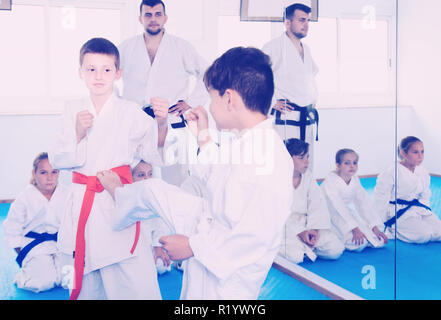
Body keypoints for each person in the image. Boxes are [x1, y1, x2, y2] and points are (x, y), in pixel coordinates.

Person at [97, 47, 294, 300]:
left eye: (212, 98)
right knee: (153, 190)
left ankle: (123, 198)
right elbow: (217, 175)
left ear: (230, 99)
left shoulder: (270, 157)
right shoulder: (247, 142)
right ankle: (122, 196)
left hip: (229, 271)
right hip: (212, 228)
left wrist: (192, 247)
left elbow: (255, 236)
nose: (209, 107)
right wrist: (202, 133)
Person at [48, 37, 168, 300]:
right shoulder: (72, 109)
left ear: (118, 73)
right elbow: (57, 159)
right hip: (83, 201)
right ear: (80, 73)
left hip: (117, 200)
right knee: (88, 276)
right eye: (91, 69)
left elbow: (151, 154)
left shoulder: (130, 111)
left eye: (106, 69)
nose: (98, 76)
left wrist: (161, 123)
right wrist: (78, 134)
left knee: (134, 278)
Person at [119, 0, 209, 186]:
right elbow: (109, 75)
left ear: (165, 18)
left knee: (176, 182)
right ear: (140, 18)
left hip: (171, 123)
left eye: (158, 14)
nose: (153, 19)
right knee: (136, 180)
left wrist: (191, 102)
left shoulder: (180, 46)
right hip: (138, 123)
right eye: (148, 15)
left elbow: (208, 73)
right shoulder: (126, 48)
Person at [262, 3, 319, 169]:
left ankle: (304, 195)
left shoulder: (306, 49)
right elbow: (259, 77)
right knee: (284, 165)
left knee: (306, 165)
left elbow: (310, 78)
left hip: (306, 118)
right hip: (287, 119)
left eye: (308, 21)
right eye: (302, 20)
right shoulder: (273, 47)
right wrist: (272, 102)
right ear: (287, 23)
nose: (306, 24)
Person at [3, 152, 68, 292]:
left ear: (59, 173)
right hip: (34, 245)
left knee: (68, 280)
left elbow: (73, 224)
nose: (49, 178)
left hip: (61, 244)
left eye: (54, 172)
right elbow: (12, 227)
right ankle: (26, 273)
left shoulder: (66, 194)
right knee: (43, 282)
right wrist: (22, 253)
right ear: (34, 173)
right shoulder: (25, 197)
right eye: (43, 172)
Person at [280, 139, 344, 263]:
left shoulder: (308, 177)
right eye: (301, 158)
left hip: (307, 223)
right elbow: (275, 215)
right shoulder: (275, 179)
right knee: (295, 256)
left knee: (335, 249)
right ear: (287, 158)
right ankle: (301, 248)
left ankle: (307, 247)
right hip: (285, 228)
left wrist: (314, 230)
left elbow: (317, 205)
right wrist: (299, 232)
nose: (307, 162)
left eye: (308, 157)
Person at [374, 136, 441, 244]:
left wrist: (425, 211)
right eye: (415, 152)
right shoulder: (391, 171)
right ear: (404, 153)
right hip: (397, 212)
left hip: (417, 209)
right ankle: (393, 229)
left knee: (439, 231)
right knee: (424, 235)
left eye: (422, 152)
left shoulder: (422, 171)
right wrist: (379, 224)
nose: (420, 156)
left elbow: (425, 195)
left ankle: (418, 227)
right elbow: (380, 198)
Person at [321, 149, 388, 252]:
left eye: (355, 162)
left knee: (378, 239)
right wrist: (355, 229)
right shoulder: (330, 182)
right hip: (329, 215)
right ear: (338, 165)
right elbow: (338, 208)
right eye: (347, 163)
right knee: (360, 243)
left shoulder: (355, 180)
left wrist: (374, 226)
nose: (352, 166)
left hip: (346, 215)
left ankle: (364, 233)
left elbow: (364, 204)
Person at [131, 160, 172, 274]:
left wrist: (157, 246)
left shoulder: (154, 196)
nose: (146, 179)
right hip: (134, 248)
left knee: (161, 266)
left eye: (150, 174)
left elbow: (161, 224)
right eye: (141, 175)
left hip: (151, 244)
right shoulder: (128, 198)